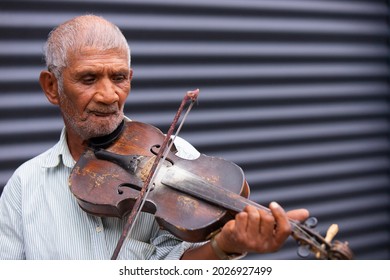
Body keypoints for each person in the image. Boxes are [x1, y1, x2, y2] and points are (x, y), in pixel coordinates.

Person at [0, 15, 309, 260]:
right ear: (52, 87)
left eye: (119, 78)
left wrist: (224, 245)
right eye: (89, 78)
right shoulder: (24, 186)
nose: (109, 96)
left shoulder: (178, 157)